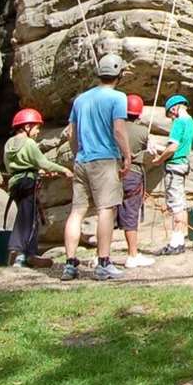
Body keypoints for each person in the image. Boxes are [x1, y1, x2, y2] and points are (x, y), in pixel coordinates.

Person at [62, 53, 132, 281]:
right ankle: (103, 263)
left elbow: (71, 132)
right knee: (106, 209)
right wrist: (127, 156)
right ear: (119, 74)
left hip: (82, 159)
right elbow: (119, 130)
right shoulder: (118, 97)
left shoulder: (80, 99)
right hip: (105, 161)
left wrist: (77, 154)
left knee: (77, 211)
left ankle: (70, 264)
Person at [3, 105, 70, 267]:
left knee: (28, 216)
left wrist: (38, 171)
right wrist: (64, 170)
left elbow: (13, 166)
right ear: (27, 127)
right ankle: (19, 253)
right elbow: (43, 162)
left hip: (16, 183)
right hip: (28, 183)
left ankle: (30, 254)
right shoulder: (29, 143)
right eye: (36, 127)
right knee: (27, 218)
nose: (38, 131)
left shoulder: (9, 143)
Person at [150, 94, 193, 256]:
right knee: (181, 204)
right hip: (184, 163)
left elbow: (173, 147)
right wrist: (157, 146)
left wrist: (158, 159)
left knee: (175, 205)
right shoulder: (191, 123)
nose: (171, 119)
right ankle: (180, 240)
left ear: (174, 109)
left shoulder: (178, 122)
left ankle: (175, 243)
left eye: (170, 115)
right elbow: (182, 146)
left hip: (174, 165)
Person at [117, 94, 155, 269]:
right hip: (132, 174)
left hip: (112, 173)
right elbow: (152, 151)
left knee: (108, 212)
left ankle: (100, 255)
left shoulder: (113, 128)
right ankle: (132, 254)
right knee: (131, 212)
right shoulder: (142, 132)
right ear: (138, 113)